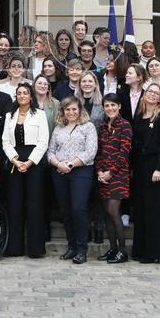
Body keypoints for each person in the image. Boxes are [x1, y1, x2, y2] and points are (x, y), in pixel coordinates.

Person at [47, 97, 98, 265]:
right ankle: (72, 247)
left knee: (78, 209)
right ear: (62, 111)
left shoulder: (88, 127)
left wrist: (70, 164)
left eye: (74, 109)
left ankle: (82, 249)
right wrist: (58, 164)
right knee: (66, 210)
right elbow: (50, 151)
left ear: (80, 110)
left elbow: (91, 151)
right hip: (60, 172)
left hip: (81, 171)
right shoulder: (58, 128)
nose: (71, 112)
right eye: (67, 109)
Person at [2, 83, 50, 258]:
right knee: (14, 204)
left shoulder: (40, 115)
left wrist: (29, 162)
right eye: (19, 93)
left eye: (25, 93)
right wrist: (15, 160)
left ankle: (35, 249)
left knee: (34, 204)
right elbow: (5, 141)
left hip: (34, 162)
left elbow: (44, 141)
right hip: (15, 161)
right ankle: (14, 247)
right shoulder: (10, 115)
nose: (22, 95)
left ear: (31, 96)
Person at [131, 81, 160, 263]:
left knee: (153, 210)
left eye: (157, 93)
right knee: (140, 208)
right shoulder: (139, 115)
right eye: (150, 92)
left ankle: (153, 252)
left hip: (154, 168)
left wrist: (159, 169)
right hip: (140, 167)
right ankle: (140, 249)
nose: (153, 95)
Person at [96, 93, 132, 263]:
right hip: (103, 176)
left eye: (113, 105)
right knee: (107, 214)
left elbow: (124, 153)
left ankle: (123, 251)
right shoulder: (103, 127)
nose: (110, 108)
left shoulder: (125, 126)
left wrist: (110, 172)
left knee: (113, 211)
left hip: (118, 175)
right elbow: (99, 152)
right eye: (107, 105)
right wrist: (100, 172)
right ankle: (113, 249)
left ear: (119, 106)